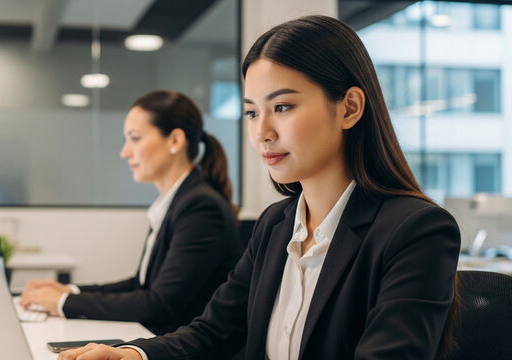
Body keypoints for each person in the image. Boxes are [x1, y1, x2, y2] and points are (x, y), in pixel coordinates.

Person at [57, 15, 461, 360]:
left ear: (350, 108)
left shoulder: (416, 231)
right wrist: (132, 354)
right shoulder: (276, 225)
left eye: (282, 107)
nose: (262, 132)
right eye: (251, 112)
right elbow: (213, 332)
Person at [20, 90, 241, 335]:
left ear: (175, 141)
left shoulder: (200, 207)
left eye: (134, 138)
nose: (125, 152)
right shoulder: (175, 202)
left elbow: (159, 305)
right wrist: (69, 292)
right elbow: (140, 285)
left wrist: (63, 303)